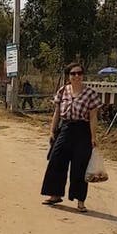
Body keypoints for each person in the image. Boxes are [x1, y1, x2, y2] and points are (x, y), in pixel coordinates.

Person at [41, 63, 102, 213]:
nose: (76, 76)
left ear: (83, 75)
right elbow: (56, 113)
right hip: (66, 129)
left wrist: (93, 137)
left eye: (79, 73)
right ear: (68, 76)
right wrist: (52, 131)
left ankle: (80, 201)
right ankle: (54, 195)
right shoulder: (62, 91)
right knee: (56, 161)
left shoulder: (90, 94)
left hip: (83, 131)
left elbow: (93, 117)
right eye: (73, 74)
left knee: (79, 166)